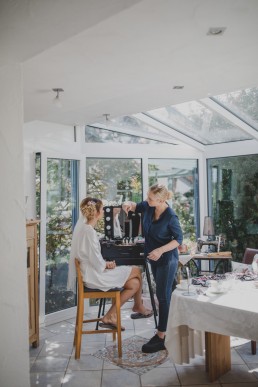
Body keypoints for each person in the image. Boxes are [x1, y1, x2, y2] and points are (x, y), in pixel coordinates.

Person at [67, 197, 153, 330]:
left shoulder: (85, 229)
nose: (103, 211)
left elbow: (92, 256)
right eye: (101, 209)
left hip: (91, 273)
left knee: (134, 284)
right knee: (136, 270)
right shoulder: (89, 232)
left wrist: (104, 263)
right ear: (95, 213)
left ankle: (110, 316)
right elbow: (96, 260)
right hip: (94, 276)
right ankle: (138, 306)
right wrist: (107, 264)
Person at [122, 184, 183, 353]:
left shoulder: (171, 216)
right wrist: (127, 203)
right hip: (154, 259)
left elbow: (179, 239)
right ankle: (172, 328)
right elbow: (134, 205)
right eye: (148, 196)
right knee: (169, 293)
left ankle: (161, 336)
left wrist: (160, 250)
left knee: (162, 297)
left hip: (166, 259)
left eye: (150, 198)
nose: (146, 200)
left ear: (162, 200)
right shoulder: (149, 206)